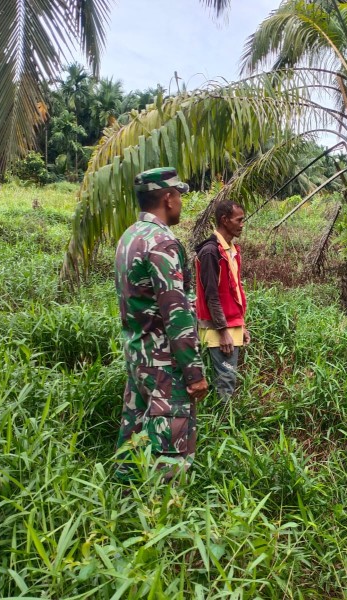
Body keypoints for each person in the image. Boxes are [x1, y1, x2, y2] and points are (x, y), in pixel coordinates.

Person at [114, 166, 209, 482]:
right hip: (164, 365)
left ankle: (124, 501)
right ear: (168, 198)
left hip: (137, 357)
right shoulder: (162, 243)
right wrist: (193, 372)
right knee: (170, 451)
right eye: (179, 195)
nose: (181, 202)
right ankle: (165, 507)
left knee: (134, 440)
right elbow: (176, 313)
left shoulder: (130, 236)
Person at [194, 200, 249, 401]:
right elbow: (211, 296)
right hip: (220, 330)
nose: (242, 224)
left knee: (228, 379)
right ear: (225, 220)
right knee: (226, 383)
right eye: (239, 220)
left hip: (230, 325)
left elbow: (233, 292)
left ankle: (223, 414)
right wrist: (224, 331)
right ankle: (225, 418)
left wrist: (241, 325)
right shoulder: (211, 252)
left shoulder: (230, 249)